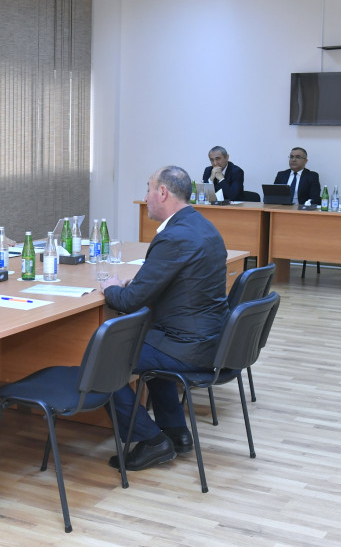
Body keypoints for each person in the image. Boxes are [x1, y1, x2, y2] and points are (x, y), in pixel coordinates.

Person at [100, 165, 230, 471]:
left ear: (162, 192)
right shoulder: (201, 225)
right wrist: (139, 284)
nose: (145, 197)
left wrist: (110, 288)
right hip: (210, 338)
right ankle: (176, 432)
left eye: (148, 189)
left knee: (103, 364)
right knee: (147, 346)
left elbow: (130, 301)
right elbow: (174, 282)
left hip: (189, 346)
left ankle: (150, 440)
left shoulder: (174, 237)